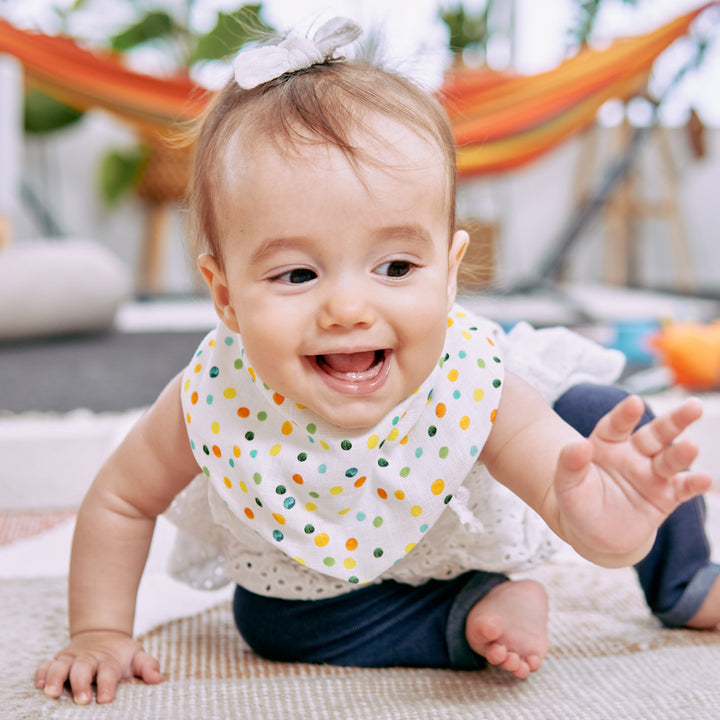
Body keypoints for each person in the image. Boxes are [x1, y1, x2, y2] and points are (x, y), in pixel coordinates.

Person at [35, 18, 718, 706]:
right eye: (297, 275)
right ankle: (467, 613)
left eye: (395, 265)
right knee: (268, 620)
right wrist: (98, 630)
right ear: (225, 297)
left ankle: (685, 580)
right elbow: (121, 501)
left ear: (448, 277)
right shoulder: (213, 396)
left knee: (602, 418)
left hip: (459, 514)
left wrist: (604, 530)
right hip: (330, 579)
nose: (348, 309)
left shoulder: (468, 376)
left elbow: (559, 493)